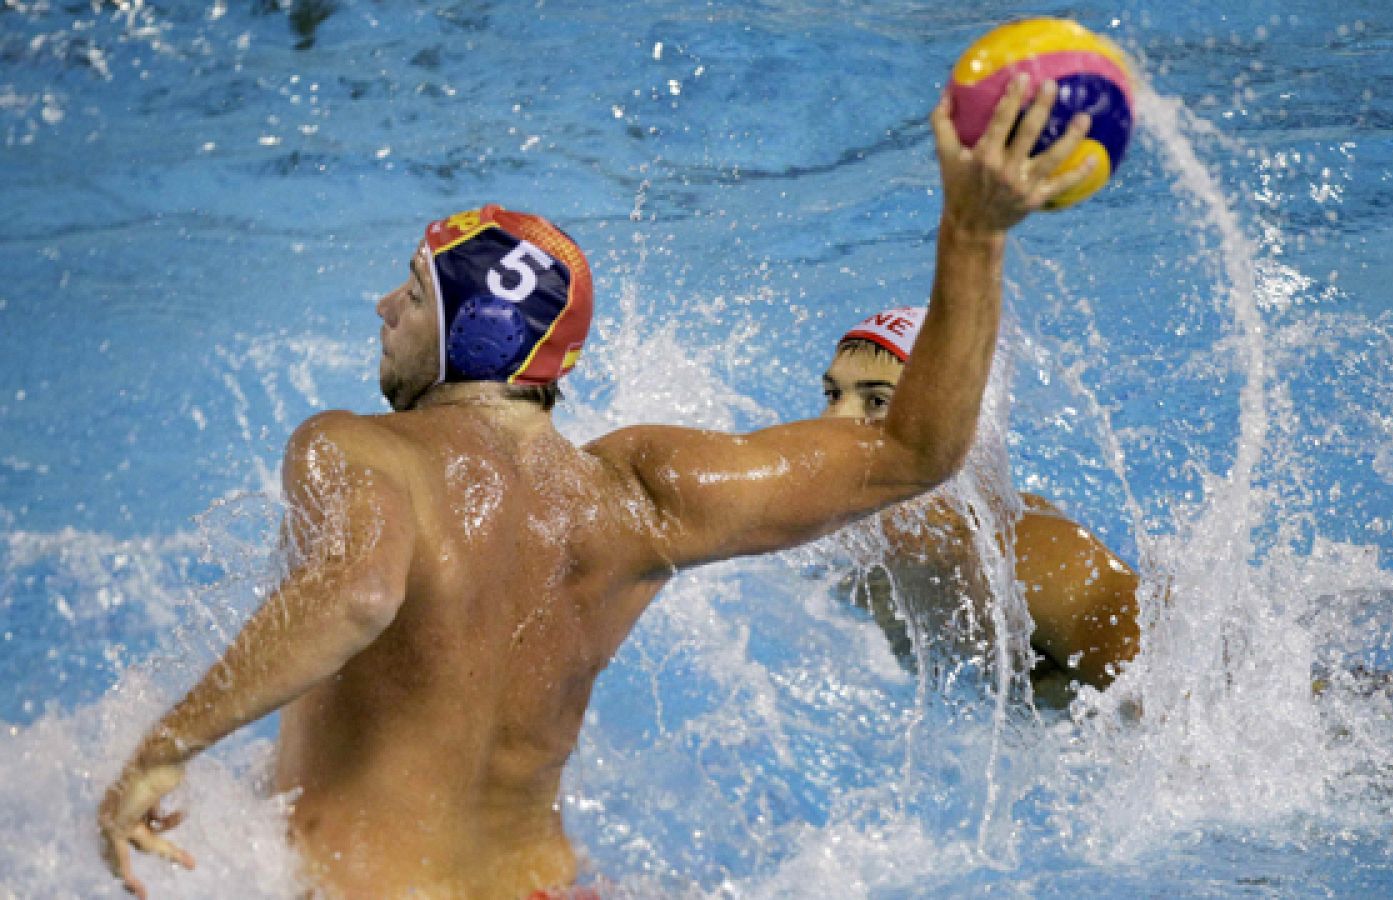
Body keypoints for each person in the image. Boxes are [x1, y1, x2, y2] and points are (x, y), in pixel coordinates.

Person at [95, 76, 1098, 899]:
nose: (381, 306)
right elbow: (918, 453)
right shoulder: (634, 494)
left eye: (408, 286)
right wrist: (973, 232)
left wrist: (167, 744)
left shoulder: (357, 449)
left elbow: (356, 592)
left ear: (454, 327)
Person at [821, 305, 1139, 704]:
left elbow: (1185, 708)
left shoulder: (1039, 557)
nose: (835, 423)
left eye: (877, 402)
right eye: (833, 394)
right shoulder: (859, 561)